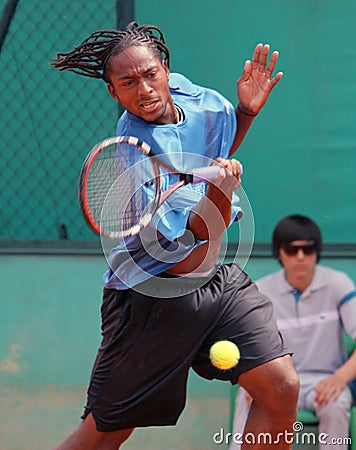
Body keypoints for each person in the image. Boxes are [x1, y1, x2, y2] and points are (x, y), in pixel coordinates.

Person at [51, 22, 299, 449]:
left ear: (166, 69)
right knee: (103, 436)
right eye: (127, 83)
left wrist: (245, 114)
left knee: (281, 389)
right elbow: (199, 234)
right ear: (113, 93)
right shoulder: (130, 157)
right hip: (150, 300)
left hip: (215, 283)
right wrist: (221, 190)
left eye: (150, 74)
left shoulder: (191, 96)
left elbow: (214, 146)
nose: (144, 89)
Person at [230, 214, 356, 450]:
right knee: (246, 397)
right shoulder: (261, 291)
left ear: (317, 252)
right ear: (279, 252)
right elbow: (248, 346)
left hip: (324, 381)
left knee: (336, 403)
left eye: (307, 250)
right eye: (291, 249)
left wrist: (339, 379)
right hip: (278, 381)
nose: (300, 257)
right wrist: (254, 381)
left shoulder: (338, 284)